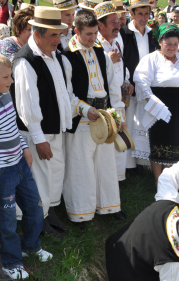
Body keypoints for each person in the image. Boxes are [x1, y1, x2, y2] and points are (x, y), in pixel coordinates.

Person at [0, 52, 51, 280]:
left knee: (34, 207)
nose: (11, 81)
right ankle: (11, 262)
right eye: (6, 77)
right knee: (7, 220)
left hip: (20, 164)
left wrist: (24, 148)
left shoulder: (5, 95)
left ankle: (31, 246)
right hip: (0, 173)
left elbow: (12, 128)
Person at [11, 6, 80, 238]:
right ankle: (37, 224)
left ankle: (48, 214)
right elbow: (26, 107)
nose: (58, 39)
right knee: (40, 178)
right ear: (37, 34)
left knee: (54, 175)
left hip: (56, 129)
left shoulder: (57, 57)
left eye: (60, 34)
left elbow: (65, 94)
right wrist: (39, 139)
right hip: (36, 133)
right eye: (53, 35)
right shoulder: (25, 61)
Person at [62, 8, 126, 232]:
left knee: (105, 162)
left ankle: (108, 206)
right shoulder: (66, 54)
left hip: (104, 115)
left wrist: (118, 114)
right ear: (76, 31)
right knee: (81, 167)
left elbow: (113, 84)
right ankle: (80, 213)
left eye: (95, 33)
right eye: (88, 34)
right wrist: (83, 109)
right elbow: (65, 92)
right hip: (81, 118)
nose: (92, 38)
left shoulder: (100, 51)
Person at [133, 23, 179, 184]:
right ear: (160, 42)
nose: (172, 47)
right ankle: (157, 179)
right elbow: (140, 81)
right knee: (159, 142)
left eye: (176, 44)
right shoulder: (151, 59)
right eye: (168, 43)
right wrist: (153, 103)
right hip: (161, 105)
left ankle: (169, 179)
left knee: (177, 141)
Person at [96, 1, 131, 182]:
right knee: (108, 138)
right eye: (113, 22)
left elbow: (122, 64)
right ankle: (106, 179)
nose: (118, 25)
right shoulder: (96, 44)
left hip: (118, 97)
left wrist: (126, 80)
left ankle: (117, 180)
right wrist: (107, 60)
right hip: (105, 99)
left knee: (120, 134)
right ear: (100, 26)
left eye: (118, 21)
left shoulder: (117, 40)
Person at [121, 0, 157, 171]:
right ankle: (129, 165)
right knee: (129, 122)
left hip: (148, 86)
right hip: (131, 87)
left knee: (144, 123)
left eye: (146, 14)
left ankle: (143, 162)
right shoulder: (124, 34)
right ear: (132, 14)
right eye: (140, 14)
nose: (144, 18)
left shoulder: (152, 34)